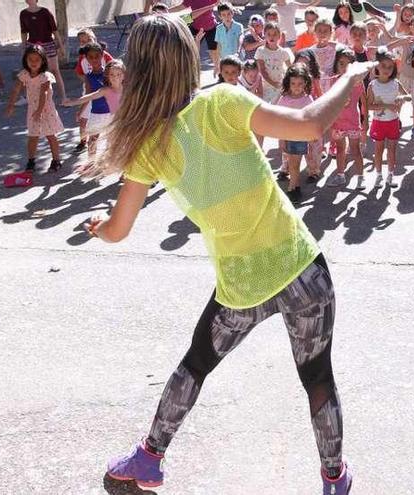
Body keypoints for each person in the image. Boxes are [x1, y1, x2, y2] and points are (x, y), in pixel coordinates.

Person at [92, 14, 373, 494]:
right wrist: (349, 77)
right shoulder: (221, 102)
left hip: (240, 286)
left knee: (194, 366)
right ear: (187, 59)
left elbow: (118, 231)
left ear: (137, 70)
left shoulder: (147, 145)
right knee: (318, 378)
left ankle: (149, 458)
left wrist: (99, 228)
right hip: (301, 271)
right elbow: (308, 125)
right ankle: (334, 479)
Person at [4, 45, 64, 173]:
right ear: (25, 60)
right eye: (30, 59)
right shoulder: (24, 74)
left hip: (46, 110)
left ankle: (56, 160)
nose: (33, 62)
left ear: (43, 60)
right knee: (33, 136)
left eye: (37, 59)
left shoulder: (45, 76)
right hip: (33, 110)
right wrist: (10, 105)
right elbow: (16, 90)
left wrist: (39, 110)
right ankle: (31, 160)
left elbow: (44, 94)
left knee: (50, 135)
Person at [367, 49, 410, 187]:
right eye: (383, 66)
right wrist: (387, 105)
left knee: (392, 150)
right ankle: (378, 175)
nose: (386, 69)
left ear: (394, 68)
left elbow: (408, 96)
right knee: (378, 150)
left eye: (390, 67)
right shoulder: (372, 85)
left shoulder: (396, 83)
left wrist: (401, 97)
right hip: (378, 123)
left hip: (393, 122)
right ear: (377, 66)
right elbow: (368, 106)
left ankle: (390, 175)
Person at [327, 48, 368, 189]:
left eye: (348, 64)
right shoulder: (334, 82)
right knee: (340, 149)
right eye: (341, 64)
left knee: (355, 150)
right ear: (336, 65)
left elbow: (364, 102)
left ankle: (361, 177)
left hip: (353, 122)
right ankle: (340, 175)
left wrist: (366, 121)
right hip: (338, 123)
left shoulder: (358, 83)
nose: (344, 68)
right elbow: (330, 103)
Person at [275, 64, 317, 201]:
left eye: (300, 83)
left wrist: (311, 137)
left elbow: (311, 119)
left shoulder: (307, 99)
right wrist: (281, 139)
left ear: (306, 82)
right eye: (293, 83)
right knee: (292, 162)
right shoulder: (284, 99)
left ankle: (294, 187)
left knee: (295, 163)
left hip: (301, 136)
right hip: (287, 136)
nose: (296, 86)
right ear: (288, 83)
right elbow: (279, 120)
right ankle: (294, 186)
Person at [16, 0, 66, 99]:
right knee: (31, 72)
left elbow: (55, 31)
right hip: (32, 46)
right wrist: (24, 47)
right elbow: (24, 32)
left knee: (55, 71)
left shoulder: (45, 12)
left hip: (48, 44)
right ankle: (29, 98)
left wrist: (61, 47)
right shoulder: (23, 14)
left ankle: (64, 97)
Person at [170, 0, 223, 77]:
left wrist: (229, 8)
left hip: (211, 27)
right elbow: (180, 7)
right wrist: (166, 11)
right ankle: (192, 71)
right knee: (192, 50)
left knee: (213, 51)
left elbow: (220, 4)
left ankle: (218, 70)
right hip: (195, 28)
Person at [255, 22, 294, 104]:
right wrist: (273, 83)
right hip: (265, 86)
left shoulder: (283, 52)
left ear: (279, 36)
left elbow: (291, 69)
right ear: (264, 35)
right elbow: (262, 70)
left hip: (280, 85)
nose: (271, 37)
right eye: (268, 34)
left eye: (274, 34)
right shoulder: (261, 51)